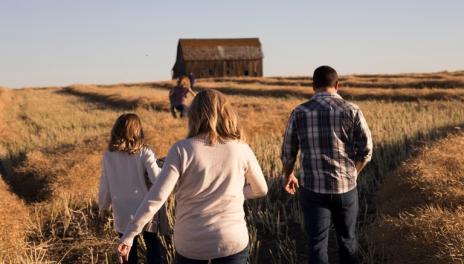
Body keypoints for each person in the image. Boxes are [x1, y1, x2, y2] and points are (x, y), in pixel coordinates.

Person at [118, 89, 268, 264]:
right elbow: (261, 190)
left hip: (191, 244)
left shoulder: (181, 149)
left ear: (194, 115)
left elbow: (157, 197)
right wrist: (233, 194)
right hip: (231, 241)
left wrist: (129, 234)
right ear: (226, 113)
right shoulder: (241, 148)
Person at [281, 66, 373, 264]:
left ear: (313, 86)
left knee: (316, 244)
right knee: (347, 242)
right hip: (346, 189)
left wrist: (288, 175)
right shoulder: (352, 110)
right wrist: (353, 173)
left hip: (313, 190)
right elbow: (366, 151)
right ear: (337, 85)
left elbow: (288, 153)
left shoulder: (299, 112)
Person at [99, 113, 168, 264]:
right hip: (145, 211)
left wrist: (103, 207)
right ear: (138, 131)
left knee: (128, 255)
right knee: (154, 249)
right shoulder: (145, 152)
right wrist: (165, 167)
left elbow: (105, 185)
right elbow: (158, 180)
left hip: (122, 211)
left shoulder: (109, 155)